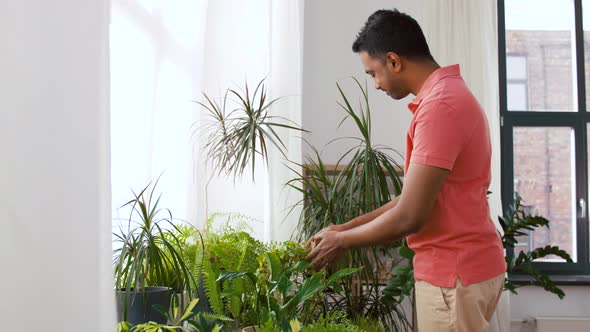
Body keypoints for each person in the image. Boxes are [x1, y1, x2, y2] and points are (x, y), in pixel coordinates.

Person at [305, 9, 506, 332]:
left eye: (373, 73)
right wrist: (341, 229)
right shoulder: (447, 97)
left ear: (394, 61)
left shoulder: (441, 106)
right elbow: (408, 200)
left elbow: (410, 215)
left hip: (452, 273)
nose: (375, 85)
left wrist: (341, 243)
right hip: (464, 269)